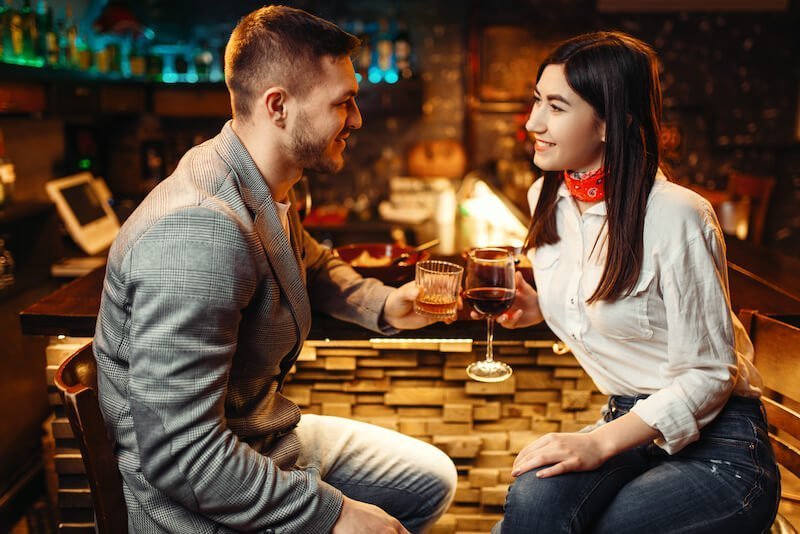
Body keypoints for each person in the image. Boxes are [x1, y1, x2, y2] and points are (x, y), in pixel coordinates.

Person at [93, 6, 457, 533]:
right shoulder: (200, 229)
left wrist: (380, 303)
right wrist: (333, 515)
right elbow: (184, 458)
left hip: (262, 436)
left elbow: (310, 259)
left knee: (429, 479)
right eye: (344, 102)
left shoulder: (262, 181)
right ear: (278, 107)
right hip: (197, 500)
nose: (356, 119)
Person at [487, 31, 780, 533]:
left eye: (556, 107)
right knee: (532, 503)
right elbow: (604, 303)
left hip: (723, 450)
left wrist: (597, 442)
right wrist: (538, 308)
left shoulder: (677, 214)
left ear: (611, 121)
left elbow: (711, 375)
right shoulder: (546, 195)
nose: (533, 122)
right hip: (632, 430)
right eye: (537, 101)